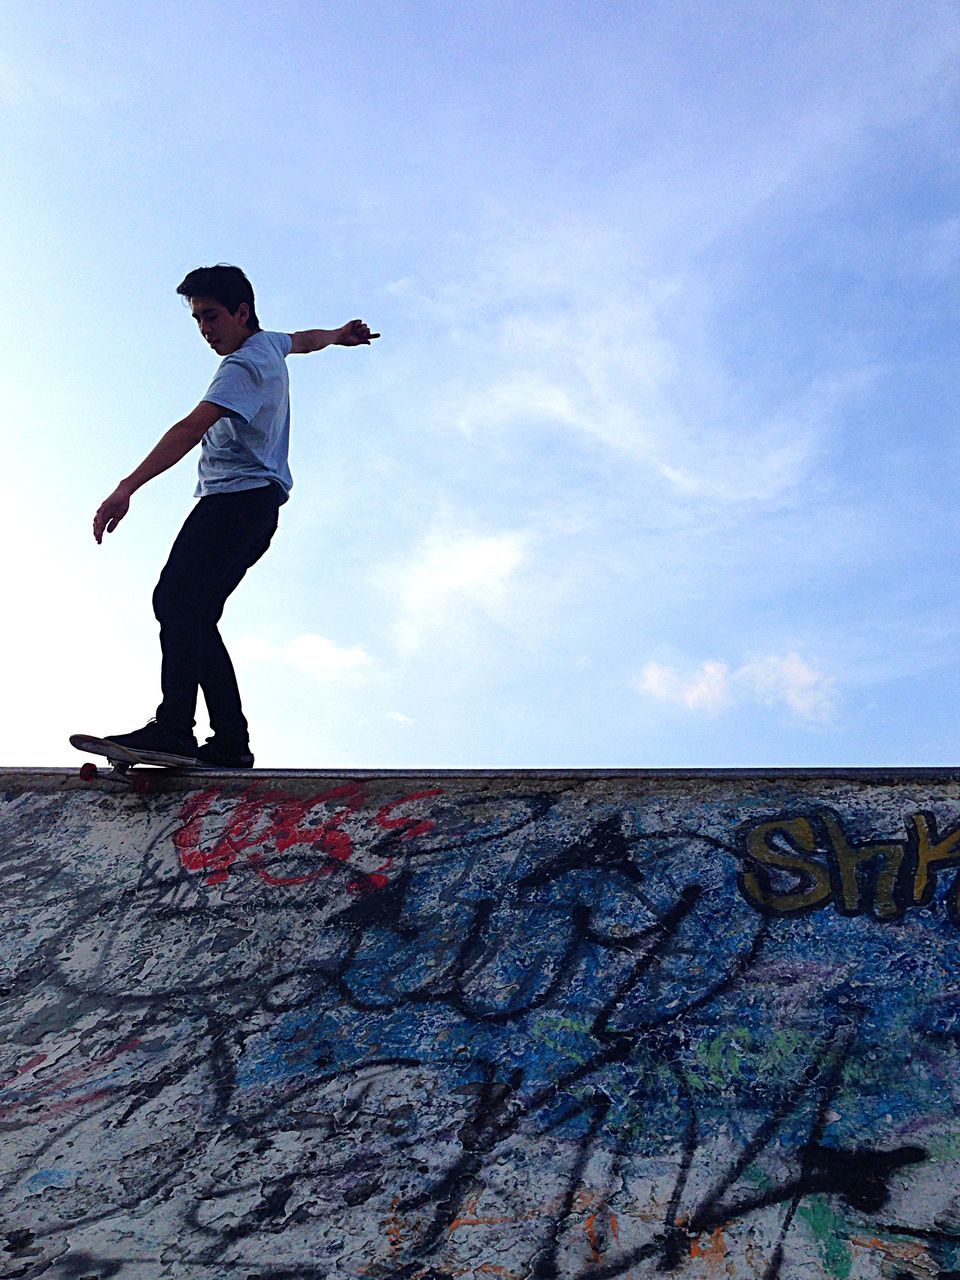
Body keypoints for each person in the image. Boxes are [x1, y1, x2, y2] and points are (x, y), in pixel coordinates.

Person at [92, 263, 378, 768]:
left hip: (233, 503)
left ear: (241, 312)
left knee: (175, 601)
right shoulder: (269, 345)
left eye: (212, 317)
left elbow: (188, 429)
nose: (206, 329)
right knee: (196, 614)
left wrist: (126, 486)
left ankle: (174, 730)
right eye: (198, 320)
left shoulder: (242, 367)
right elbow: (302, 340)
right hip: (257, 509)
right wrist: (338, 336)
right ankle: (229, 742)